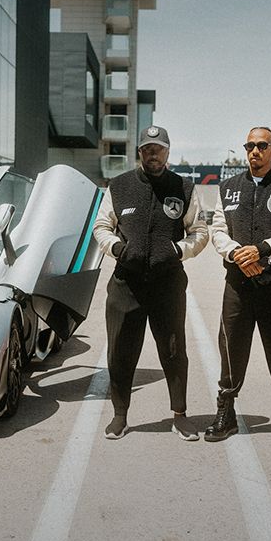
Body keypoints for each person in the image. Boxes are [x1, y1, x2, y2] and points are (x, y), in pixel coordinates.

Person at [93, 125, 208, 440]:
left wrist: (177, 250)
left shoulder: (183, 188)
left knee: (173, 349)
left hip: (166, 283)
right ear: (139, 152)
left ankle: (180, 415)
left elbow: (199, 231)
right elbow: (101, 225)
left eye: (158, 148)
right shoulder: (119, 186)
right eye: (147, 148)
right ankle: (120, 415)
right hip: (125, 283)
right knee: (120, 350)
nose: (152, 153)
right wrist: (117, 248)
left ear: (168, 152)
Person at [205, 126, 271, 448]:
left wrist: (262, 250)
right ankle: (225, 413)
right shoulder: (228, 188)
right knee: (231, 349)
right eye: (249, 145)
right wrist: (238, 253)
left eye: (262, 145)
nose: (255, 151)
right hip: (237, 285)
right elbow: (218, 231)